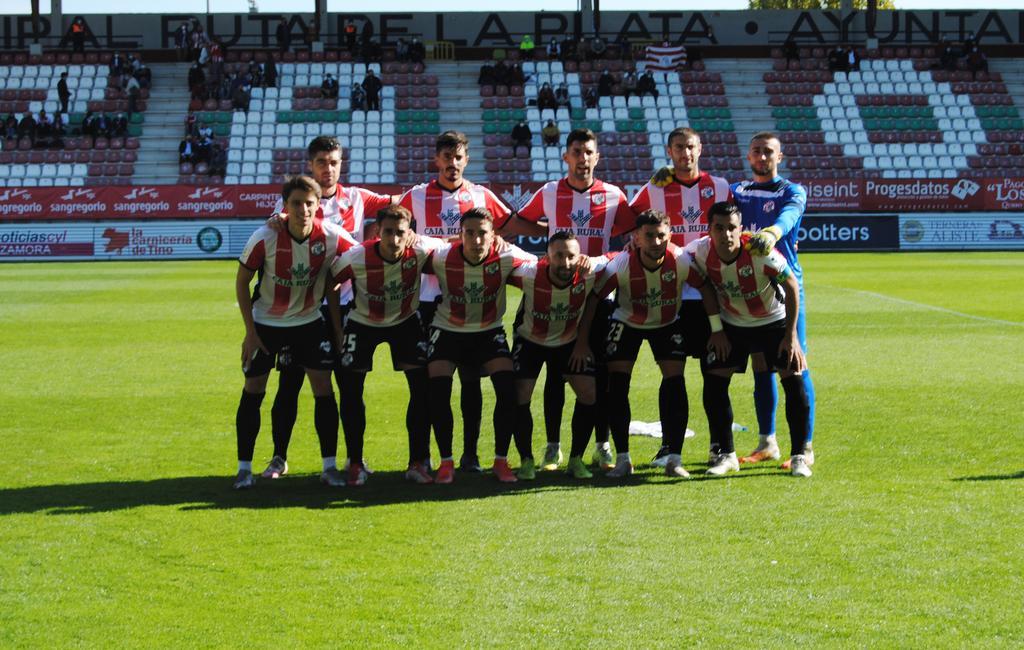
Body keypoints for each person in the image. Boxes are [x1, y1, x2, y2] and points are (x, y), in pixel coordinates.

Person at [259, 136, 395, 479]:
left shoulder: (358, 197)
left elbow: (405, 206)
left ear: (341, 164)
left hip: (349, 306)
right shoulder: (296, 204)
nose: (328, 168)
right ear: (310, 165)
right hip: (302, 308)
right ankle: (278, 457)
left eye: (334, 162)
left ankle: (354, 459)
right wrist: (275, 218)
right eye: (321, 162)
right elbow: (275, 227)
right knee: (289, 383)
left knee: (350, 386)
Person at [506, 128, 636, 471]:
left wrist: (599, 259)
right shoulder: (550, 192)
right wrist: (549, 235)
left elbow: (631, 236)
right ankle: (553, 447)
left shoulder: (613, 195)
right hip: (554, 292)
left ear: (597, 157)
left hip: (597, 294)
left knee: (599, 374)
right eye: (577, 152)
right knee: (554, 374)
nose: (583, 158)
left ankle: (601, 445)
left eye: (589, 152)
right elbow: (521, 222)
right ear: (566, 157)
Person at [232, 176, 357, 490]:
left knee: (323, 390)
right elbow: (241, 282)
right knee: (254, 390)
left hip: (308, 323)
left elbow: (364, 256)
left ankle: (329, 467)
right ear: (285, 206)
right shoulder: (265, 237)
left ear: (318, 206)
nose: (303, 209)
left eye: (309, 203)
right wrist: (249, 332)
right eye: (296, 203)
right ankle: (244, 469)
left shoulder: (331, 235)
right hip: (265, 325)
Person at [398, 131, 512, 473]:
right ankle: (421, 457)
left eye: (458, 156)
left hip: (468, 299)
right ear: (437, 160)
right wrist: (408, 234)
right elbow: (389, 225)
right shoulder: (416, 195)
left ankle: (470, 455)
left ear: (467, 160)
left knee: (471, 382)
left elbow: (507, 225)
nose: (453, 163)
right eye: (447, 157)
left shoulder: (481, 195)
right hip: (426, 301)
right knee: (425, 385)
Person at [688, 202, 812, 477]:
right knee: (714, 380)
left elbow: (791, 285)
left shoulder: (759, 251)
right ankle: (727, 455)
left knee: (793, 380)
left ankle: (799, 456)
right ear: (709, 230)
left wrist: (791, 336)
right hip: (732, 325)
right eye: (719, 228)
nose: (726, 234)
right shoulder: (699, 250)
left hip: (772, 322)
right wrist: (717, 330)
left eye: (732, 228)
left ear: (741, 229)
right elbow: (678, 261)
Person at [633, 127, 732, 465]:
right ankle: (669, 448)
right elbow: (630, 221)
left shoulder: (721, 187)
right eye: (678, 147)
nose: (685, 153)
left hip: (710, 295)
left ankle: (720, 447)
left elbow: (737, 227)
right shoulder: (654, 187)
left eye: (690, 147)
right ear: (669, 151)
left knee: (714, 376)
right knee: (672, 374)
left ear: (699, 148)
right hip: (670, 296)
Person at [328, 205, 446, 486]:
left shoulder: (421, 249)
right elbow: (330, 281)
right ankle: (355, 462)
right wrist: (338, 329)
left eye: (400, 233)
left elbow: (456, 249)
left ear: (410, 233)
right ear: (377, 232)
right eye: (388, 232)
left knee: (422, 390)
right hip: (362, 323)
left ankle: (418, 461)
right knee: (351, 392)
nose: (394, 239)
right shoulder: (357, 256)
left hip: (405, 322)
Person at [423, 207, 536, 483]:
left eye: (482, 233)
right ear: (460, 235)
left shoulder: (507, 255)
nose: (476, 240)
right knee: (438, 391)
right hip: (447, 330)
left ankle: (500, 461)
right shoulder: (442, 255)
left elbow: (541, 265)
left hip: (488, 332)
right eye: (469, 233)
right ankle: (446, 462)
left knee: (507, 390)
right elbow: (411, 247)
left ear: (493, 235)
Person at [731, 132, 815, 470]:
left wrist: (772, 233)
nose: (762, 157)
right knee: (760, 367)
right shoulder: (737, 191)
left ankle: (805, 447)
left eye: (768, 152)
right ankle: (767, 442)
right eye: (757, 151)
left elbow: (788, 217)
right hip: (749, 287)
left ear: (780, 156)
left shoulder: (792, 191)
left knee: (794, 363)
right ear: (748, 156)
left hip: (784, 286)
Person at [592, 209, 694, 478]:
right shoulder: (622, 263)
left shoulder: (680, 259)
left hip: (667, 322)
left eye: (661, 235)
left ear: (669, 235)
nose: (656, 242)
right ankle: (623, 459)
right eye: (649, 236)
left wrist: (717, 329)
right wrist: (581, 342)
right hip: (627, 322)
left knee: (675, 382)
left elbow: (705, 287)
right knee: (617, 386)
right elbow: (595, 297)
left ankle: (674, 459)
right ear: (636, 237)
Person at [508, 232, 603, 479]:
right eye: (558, 256)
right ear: (547, 257)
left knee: (589, 392)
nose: (566, 262)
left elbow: (618, 258)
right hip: (530, 341)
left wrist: (582, 343)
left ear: (580, 256)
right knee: (520, 394)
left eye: (571, 256)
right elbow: (500, 261)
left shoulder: (590, 272)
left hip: (567, 342)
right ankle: (526, 460)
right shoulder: (529, 274)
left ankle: (576, 460)